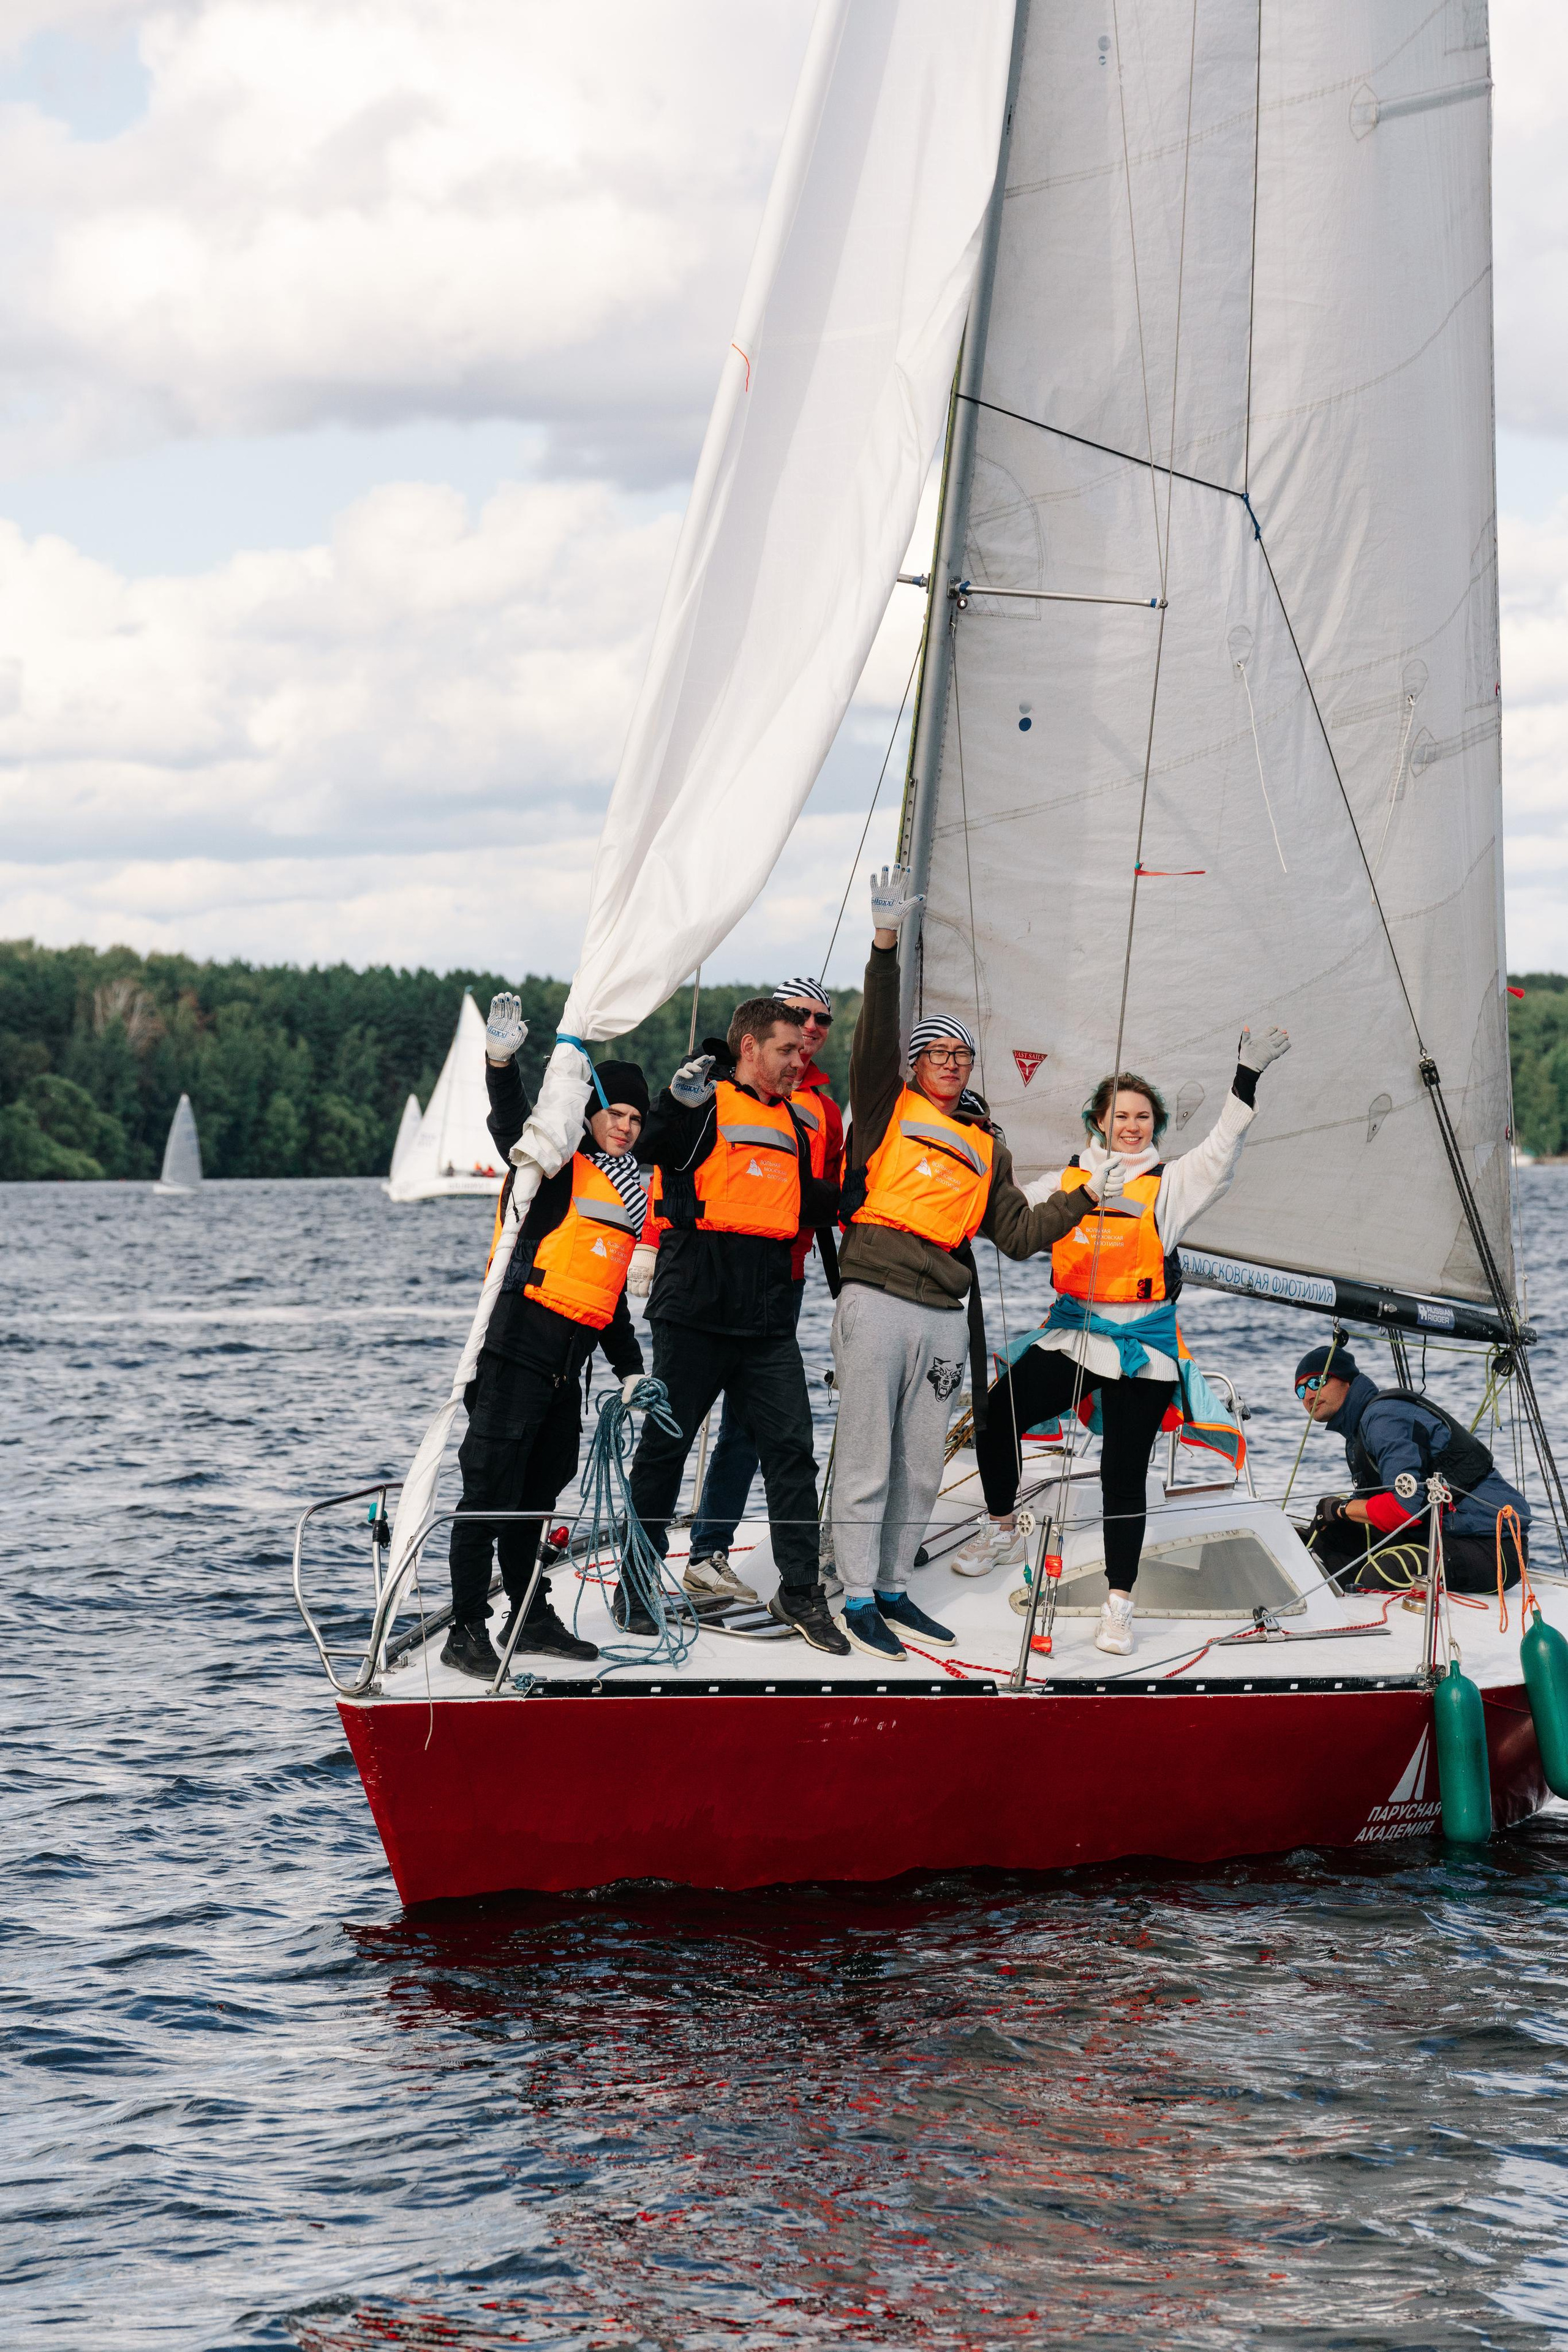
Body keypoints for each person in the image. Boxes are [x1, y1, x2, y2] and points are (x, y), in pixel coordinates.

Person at [958, 1023, 1292, 1657]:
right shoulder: (1063, 1179)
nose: (1132, 1126)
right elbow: (1001, 1216)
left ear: (1155, 1125)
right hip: (1074, 1334)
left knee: (1123, 1475)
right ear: (1098, 1120)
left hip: (1143, 1347)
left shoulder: (1171, 1183)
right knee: (996, 1413)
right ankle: (1001, 1526)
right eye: (1121, 1116)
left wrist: (1245, 1076)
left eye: (1143, 1117)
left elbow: (1223, 1147)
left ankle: (1119, 1604)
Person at [828, 867, 1087, 1663]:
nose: (952, 1061)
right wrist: (884, 943)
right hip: (877, 1294)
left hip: (943, 1309)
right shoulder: (887, 1108)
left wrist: (1085, 1185)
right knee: (868, 1453)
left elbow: (1016, 1234)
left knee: (916, 1462)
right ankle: (856, 1594)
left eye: (962, 1054)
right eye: (936, 1052)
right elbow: (873, 1039)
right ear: (913, 1064)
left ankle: (895, 1589)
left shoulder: (987, 1146)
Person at [628, 997, 850, 1655]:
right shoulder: (704, 1107)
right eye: (785, 1050)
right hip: (694, 1304)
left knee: (791, 1452)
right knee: (665, 1451)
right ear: (749, 1047)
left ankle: (801, 1593)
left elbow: (813, 1201)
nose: (796, 1060)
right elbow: (653, 1145)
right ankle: (638, 1588)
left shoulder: (796, 1121)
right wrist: (675, 1100)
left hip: (765, 1314)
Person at [441, 991, 650, 1680]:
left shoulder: (625, 1195)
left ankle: (528, 1617)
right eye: (614, 1113)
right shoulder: (555, 1173)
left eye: (634, 1119)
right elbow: (513, 1131)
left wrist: (630, 1369)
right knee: (486, 1497)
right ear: (590, 1114)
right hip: (511, 1360)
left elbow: (610, 1297)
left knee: (534, 1502)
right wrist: (501, 1063)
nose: (624, 1127)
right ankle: (465, 1628)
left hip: (566, 1373)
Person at [682, 976, 845, 1602]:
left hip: (785, 1278)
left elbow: (828, 1197)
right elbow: (679, 1171)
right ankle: (703, 1550)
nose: (811, 1027)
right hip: (711, 1274)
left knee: (756, 1427)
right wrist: (650, 1247)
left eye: (823, 1020)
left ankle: (715, 1553)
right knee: (684, 1424)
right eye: (799, 1016)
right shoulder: (718, 1089)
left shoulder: (825, 1110)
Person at [1294, 1343, 1530, 1592]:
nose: (1309, 1396)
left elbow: (1403, 1510)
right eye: (1301, 1391)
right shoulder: (1358, 1432)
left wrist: (1341, 1508)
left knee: (1387, 1572)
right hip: (1441, 1536)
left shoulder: (1384, 1419)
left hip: (1494, 1549)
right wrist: (1332, 1518)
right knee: (1326, 1537)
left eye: (1317, 1382)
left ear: (1346, 1381)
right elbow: (1374, 1506)